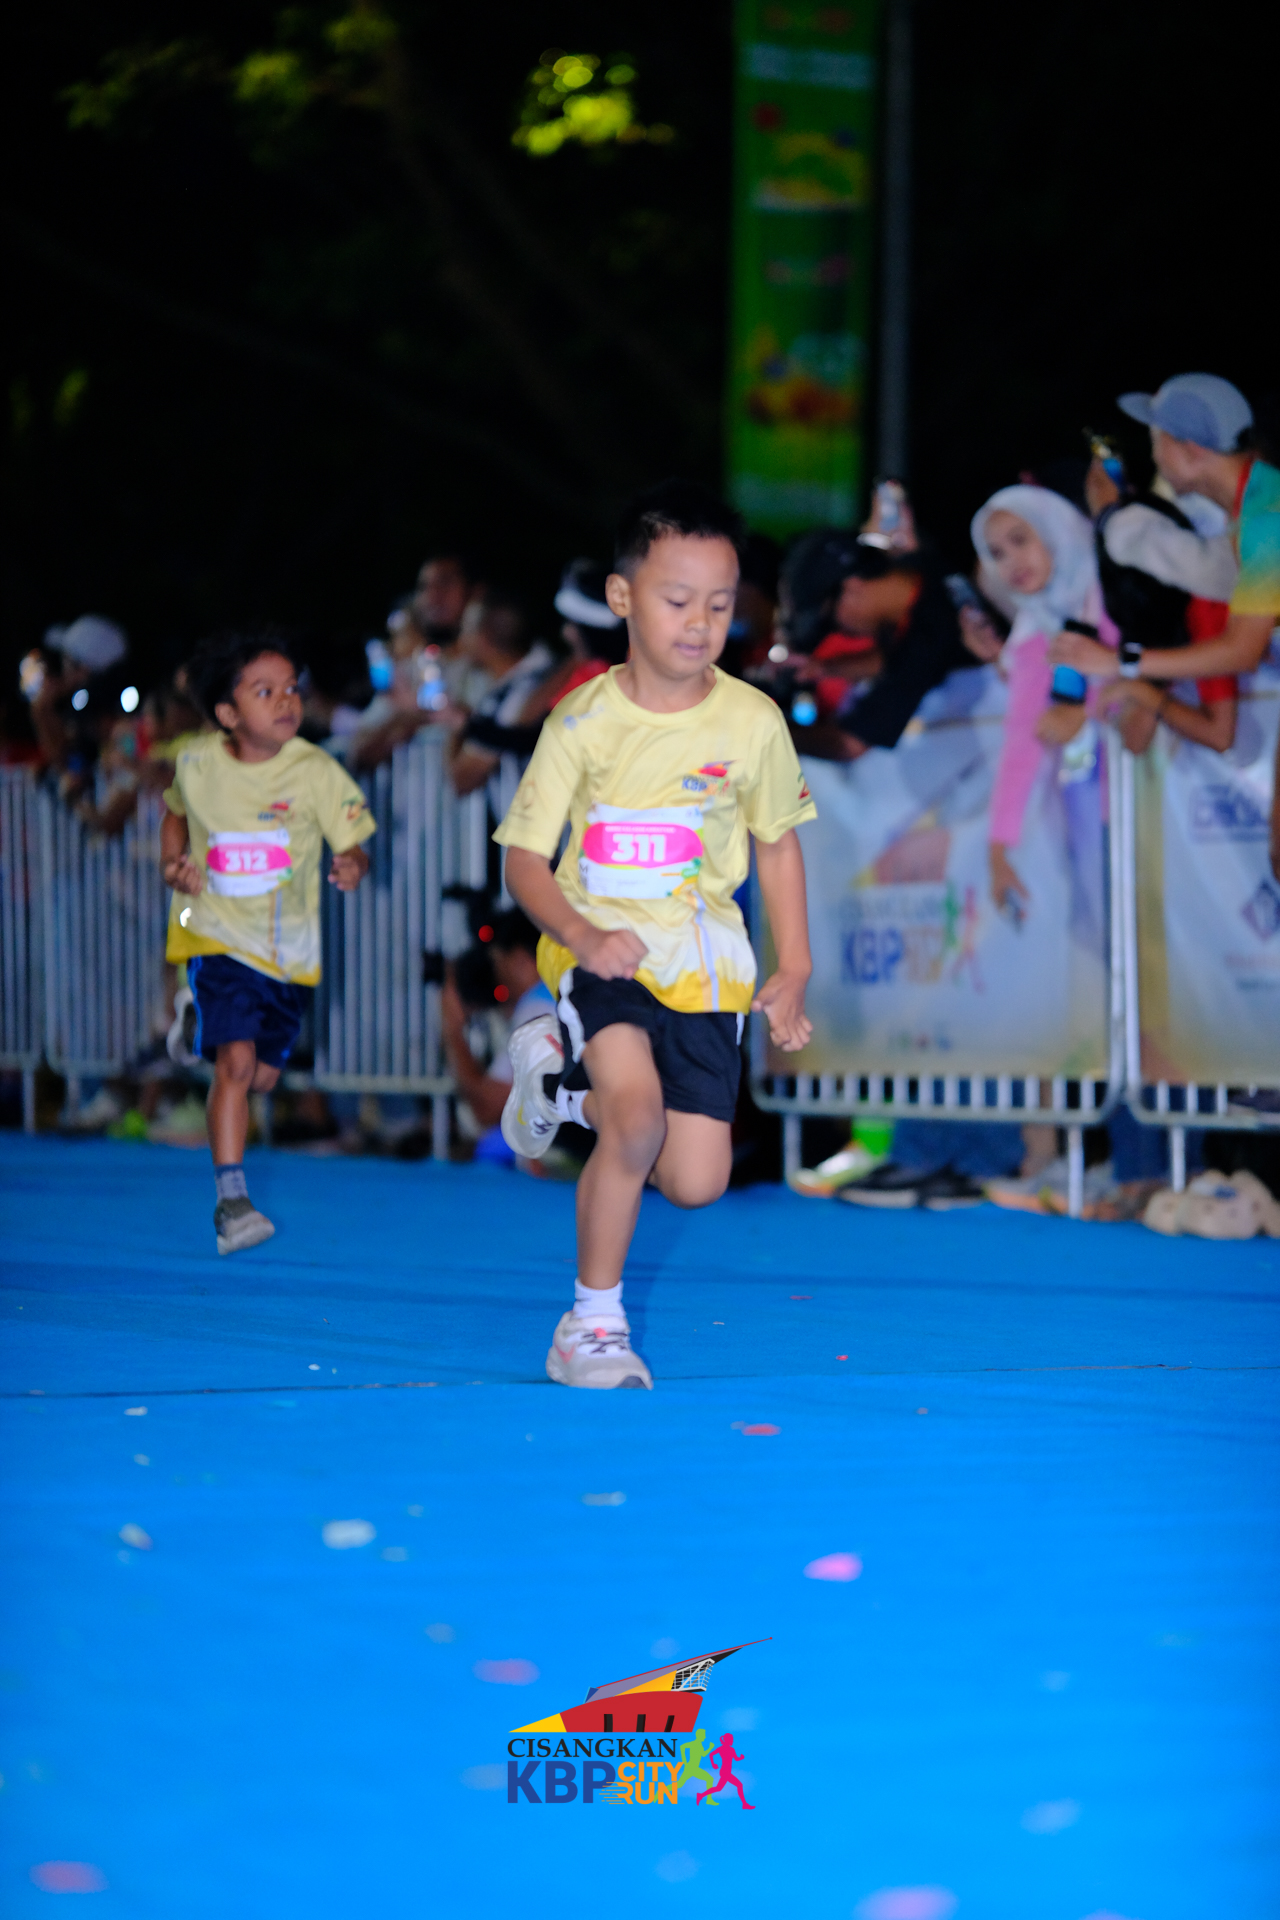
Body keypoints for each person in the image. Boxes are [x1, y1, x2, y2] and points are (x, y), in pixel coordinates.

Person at [492, 479, 817, 1390]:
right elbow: (524, 862)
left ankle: (557, 1092)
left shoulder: (752, 720)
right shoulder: (582, 721)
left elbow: (777, 846)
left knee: (696, 1180)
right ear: (622, 596)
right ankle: (592, 1326)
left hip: (705, 965)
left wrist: (794, 965)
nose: (701, 623)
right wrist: (580, 934)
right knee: (634, 1123)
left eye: (720, 604)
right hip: (600, 951)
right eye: (678, 600)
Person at [161, 633, 374, 1254]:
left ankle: (196, 1019)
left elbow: (353, 842)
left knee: (259, 1076)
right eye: (264, 691)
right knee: (234, 1065)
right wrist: (173, 862)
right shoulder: (198, 764)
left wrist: (353, 864)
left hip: (286, 953)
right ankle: (232, 1201)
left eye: (291, 689)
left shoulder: (315, 770)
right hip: (216, 937)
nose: (285, 701)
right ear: (227, 713)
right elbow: (175, 811)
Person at [971, 486, 1116, 922]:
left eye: (1020, 540)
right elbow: (1022, 743)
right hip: (1100, 820)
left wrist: (1086, 711)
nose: (1012, 562)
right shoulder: (1033, 632)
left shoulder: (1120, 592)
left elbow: (1158, 677)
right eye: (997, 553)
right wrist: (999, 851)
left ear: (1055, 530)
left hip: (1170, 802)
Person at [439, 907, 556, 1141]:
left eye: (498, 962)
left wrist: (452, 1028)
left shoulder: (536, 1009)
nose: (496, 975)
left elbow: (488, 1107)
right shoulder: (562, 994)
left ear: (520, 962)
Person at [448, 591, 556, 795]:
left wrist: (455, 723)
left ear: (483, 638)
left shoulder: (522, 691)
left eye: (466, 630)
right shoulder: (533, 676)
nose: (460, 640)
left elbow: (463, 779)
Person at [513, 559, 629, 726]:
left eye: (574, 626)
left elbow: (532, 729)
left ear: (593, 631)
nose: (566, 633)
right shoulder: (584, 668)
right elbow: (527, 720)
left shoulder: (606, 677)